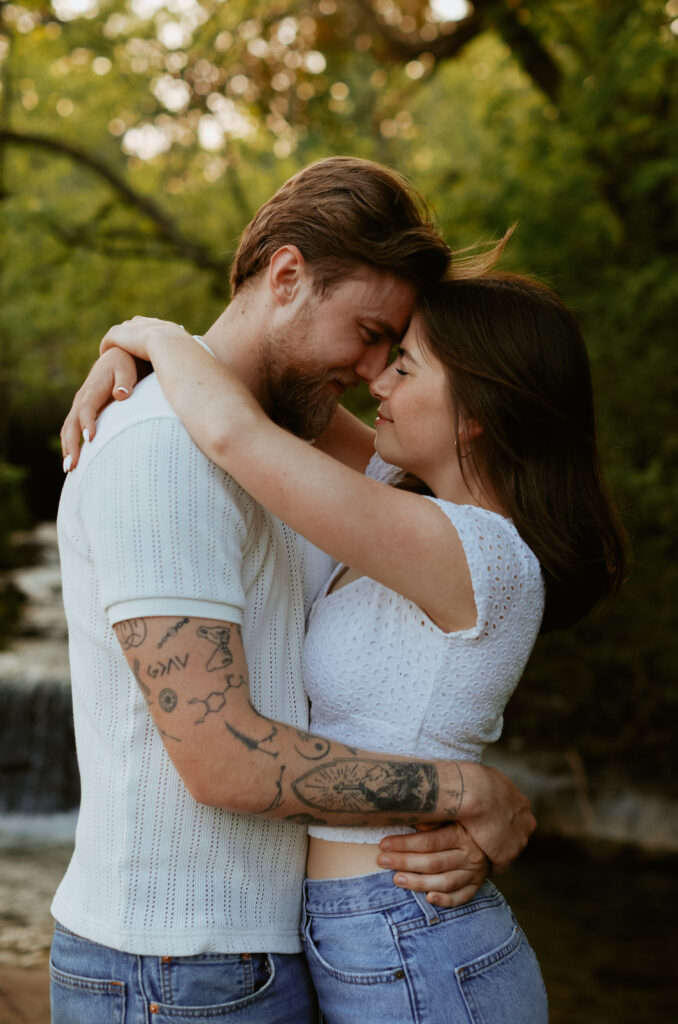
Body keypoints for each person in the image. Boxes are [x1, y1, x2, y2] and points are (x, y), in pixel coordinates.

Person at [63, 266, 626, 1024]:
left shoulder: (479, 554)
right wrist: (136, 355)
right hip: (348, 933)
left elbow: (235, 432)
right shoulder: (395, 492)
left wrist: (153, 335)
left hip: (411, 935)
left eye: (405, 364)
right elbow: (259, 378)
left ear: (477, 412)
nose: (376, 383)